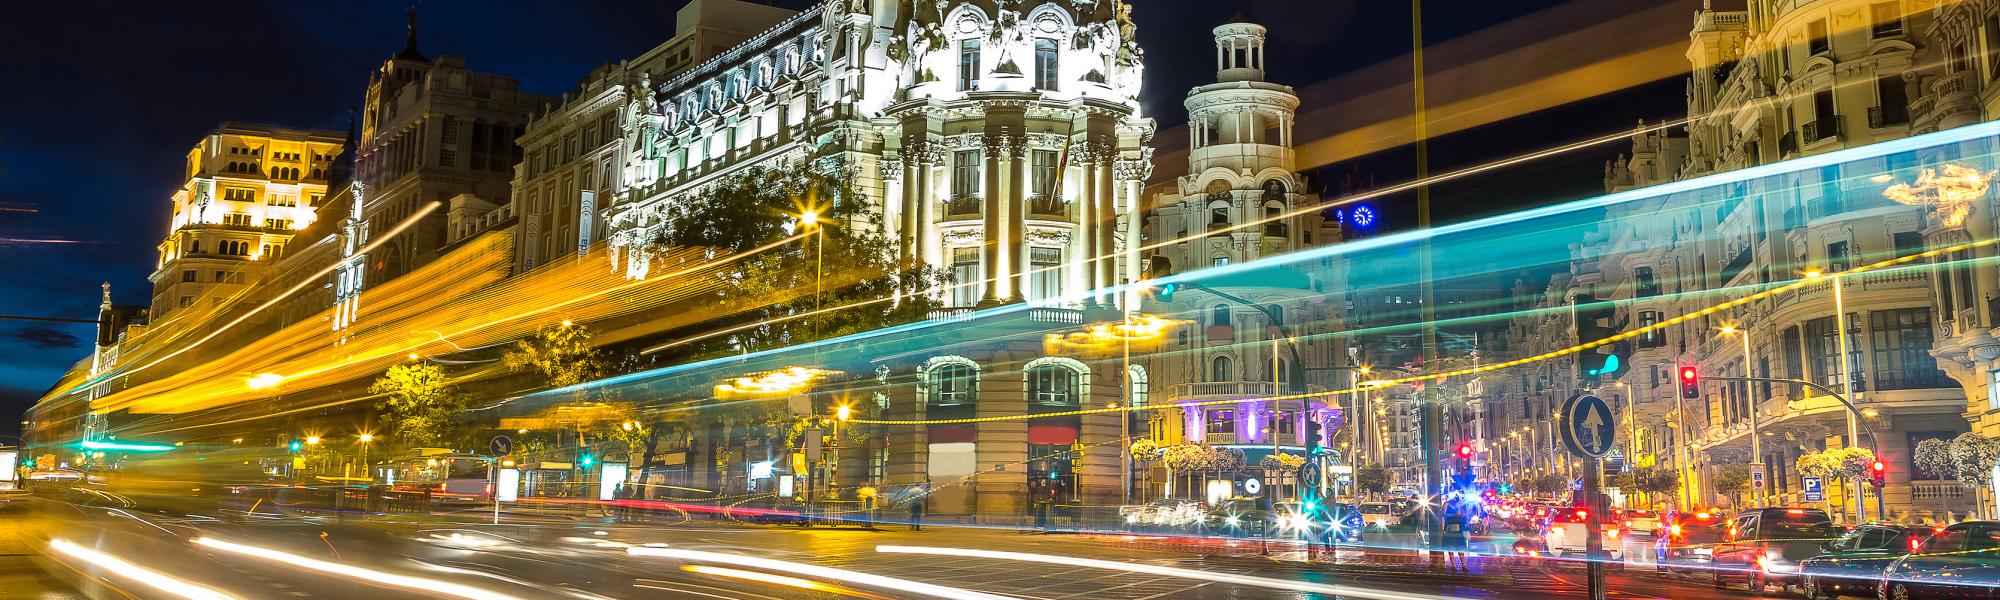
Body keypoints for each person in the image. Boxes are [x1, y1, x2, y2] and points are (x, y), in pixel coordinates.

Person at [1442, 503, 1470, 572]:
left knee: (1460, 549)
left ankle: (1463, 565)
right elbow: (1444, 514)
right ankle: (1453, 565)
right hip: (1450, 529)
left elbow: (1463, 514)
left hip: (1458, 529)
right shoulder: (1447, 503)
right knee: (1451, 549)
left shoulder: (1458, 503)